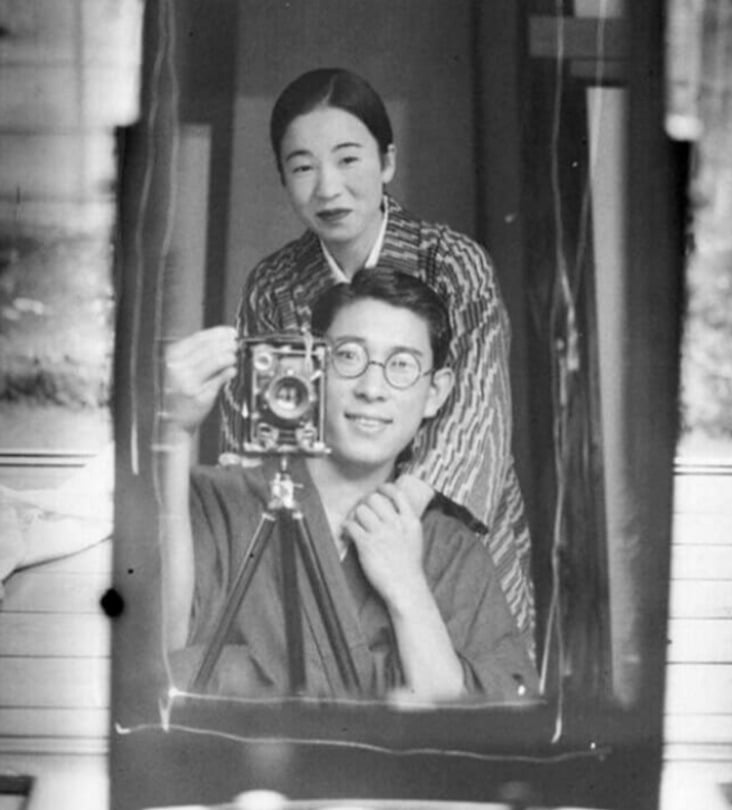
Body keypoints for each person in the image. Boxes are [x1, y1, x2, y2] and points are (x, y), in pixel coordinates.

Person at [218, 68, 535, 653]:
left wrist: (392, 526)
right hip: (323, 543)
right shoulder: (273, 284)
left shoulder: (455, 263)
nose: (328, 188)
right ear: (283, 178)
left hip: (442, 535)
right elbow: (271, 439)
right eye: (303, 167)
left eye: (347, 159)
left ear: (386, 162)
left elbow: (475, 416)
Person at [162, 269, 539, 702]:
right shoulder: (220, 501)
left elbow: (493, 720)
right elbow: (159, 651)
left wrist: (407, 589)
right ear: (312, 367)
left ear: (435, 392)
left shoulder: (451, 551)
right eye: (348, 357)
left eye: (401, 365)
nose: (372, 389)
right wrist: (173, 433)